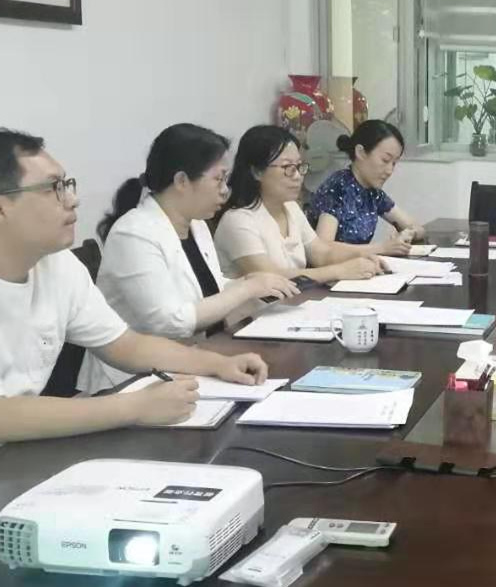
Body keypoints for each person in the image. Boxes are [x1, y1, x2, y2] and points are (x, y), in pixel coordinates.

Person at [0, 129, 271, 501]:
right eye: (53, 189)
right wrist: (134, 407)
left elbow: (124, 345)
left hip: (7, 458)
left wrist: (216, 364)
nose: (72, 199)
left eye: (67, 184)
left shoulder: (52, 260)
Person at [77, 124, 300, 393]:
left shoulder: (197, 225)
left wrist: (248, 282)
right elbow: (171, 322)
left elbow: (207, 291)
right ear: (182, 181)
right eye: (218, 179)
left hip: (192, 364)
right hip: (130, 383)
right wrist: (246, 288)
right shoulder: (134, 233)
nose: (225, 190)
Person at [214, 125, 383, 283]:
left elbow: (321, 254)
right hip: (259, 306)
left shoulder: (290, 208)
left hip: (297, 301)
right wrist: (340, 271)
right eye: (287, 167)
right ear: (257, 171)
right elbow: (269, 278)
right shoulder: (238, 220)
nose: (297, 176)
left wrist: (361, 257)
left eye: (299, 166)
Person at [305, 119, 423, 256]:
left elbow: (418, 228)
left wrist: (408, 234)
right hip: (331, 269)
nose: (390, 171)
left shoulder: (373, 192)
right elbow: (323, 247)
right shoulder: (337, 188)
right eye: (385, 160)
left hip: (357, 266)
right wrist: (382, 248)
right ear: (360, 152)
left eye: (394, 163)